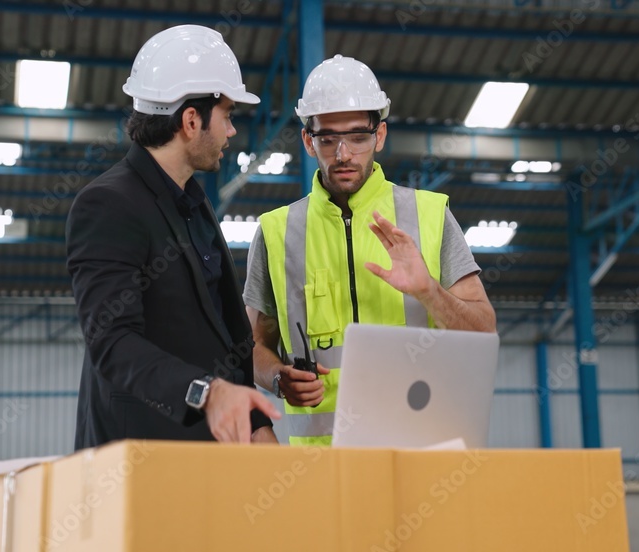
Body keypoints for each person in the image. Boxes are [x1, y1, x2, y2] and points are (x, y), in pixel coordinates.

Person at [243, 55, 497, 446]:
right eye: (328, 139)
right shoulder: (276, 231)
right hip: (318, 469)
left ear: (379, 135)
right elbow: (252, 346)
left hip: (421, 454)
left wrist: (428, 290)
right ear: (309, 140)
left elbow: (484, 333)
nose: (343, 154)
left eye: (358, 137)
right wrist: (279, 378)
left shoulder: (430, 215)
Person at [67, 25, 280, 449]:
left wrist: (257, 424)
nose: (231, 131)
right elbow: (112, 343)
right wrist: (209, 393)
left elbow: (226, 332)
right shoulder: (108, 205)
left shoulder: (194, 204)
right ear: (190, 120)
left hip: (206, 464)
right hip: (136, 466)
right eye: (228, 115)